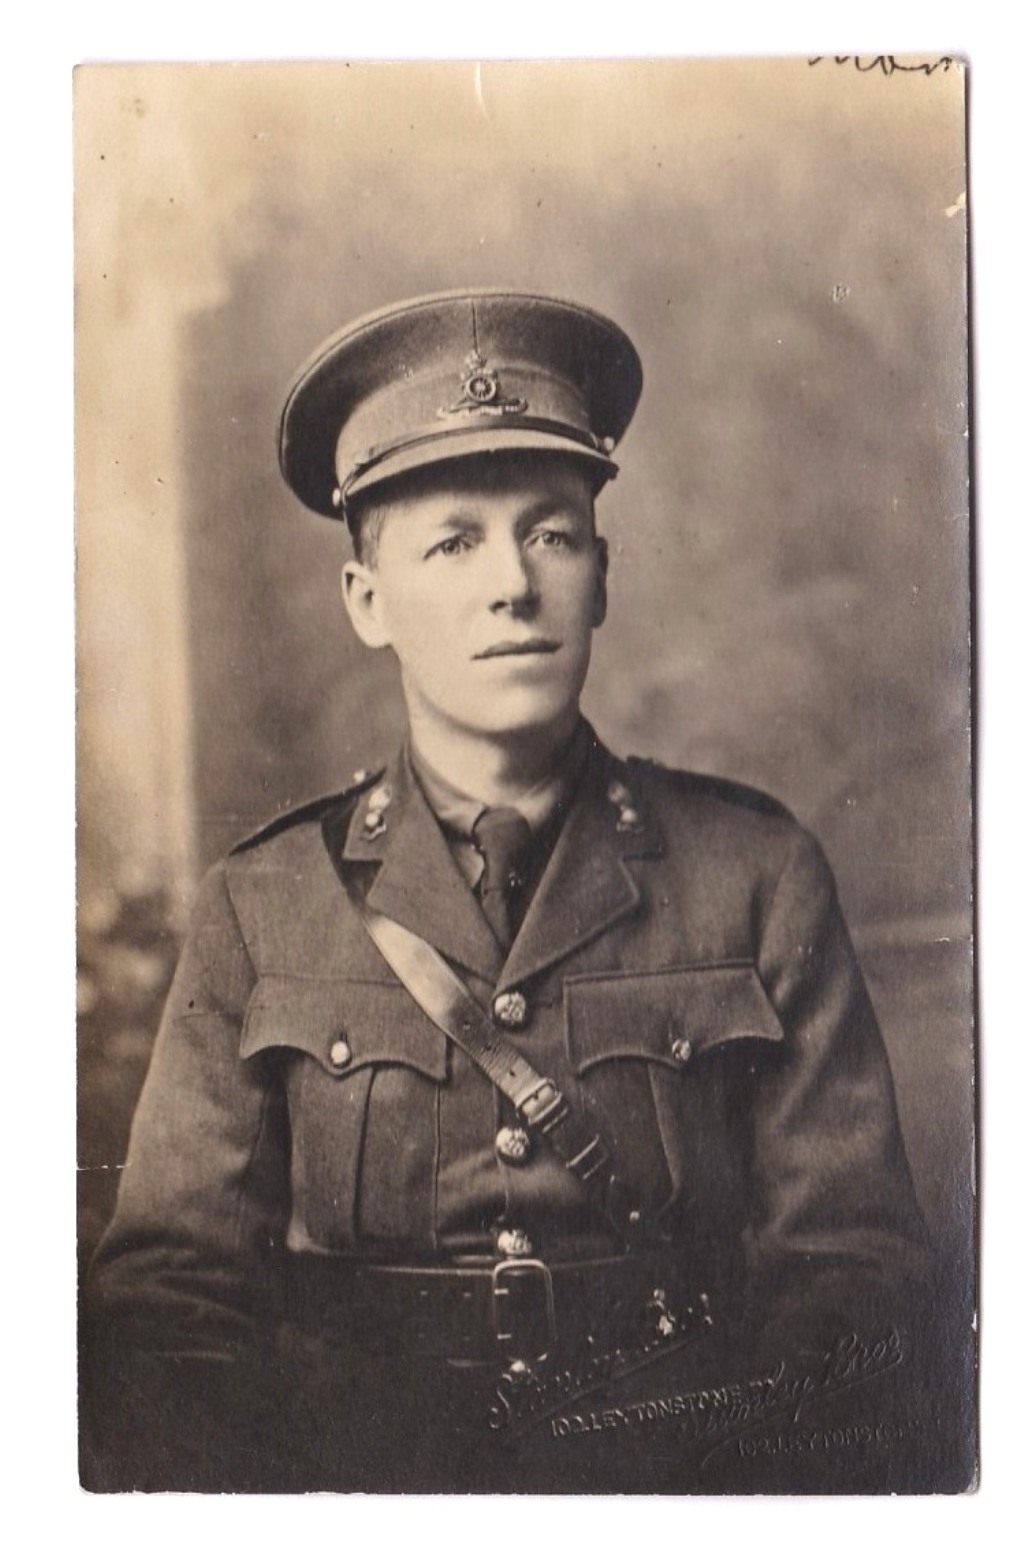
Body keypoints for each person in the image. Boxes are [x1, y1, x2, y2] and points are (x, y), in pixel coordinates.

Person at [82, 289, 930, 1494]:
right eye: (452, 542)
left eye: (551, 533)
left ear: (600, 576)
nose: (513, 587)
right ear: (367, 604)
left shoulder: (754, 876)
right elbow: (167, 1308)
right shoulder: (260, 905)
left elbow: (850, 1279)